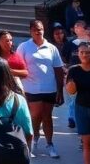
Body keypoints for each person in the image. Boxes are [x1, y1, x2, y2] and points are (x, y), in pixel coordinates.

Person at [16, 19, 64, 159]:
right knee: (35, 116)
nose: (39, 31)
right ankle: (33, 139)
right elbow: (19, 66)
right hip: (31, 87)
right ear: (31, 31)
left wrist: (60, 90)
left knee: (47, 117)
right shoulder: (24, 47)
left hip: (49, 88)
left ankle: (49, 143)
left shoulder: (51, 48)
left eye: (41, 29)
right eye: (36, 29)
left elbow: (58, 69)